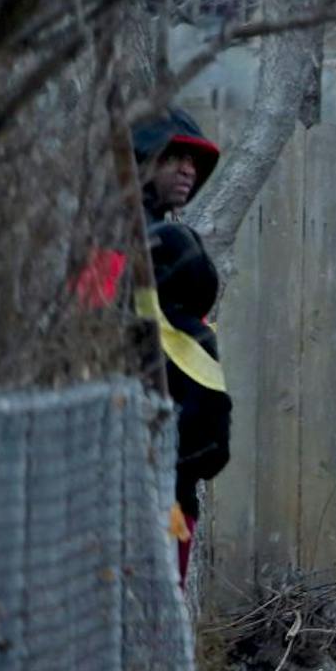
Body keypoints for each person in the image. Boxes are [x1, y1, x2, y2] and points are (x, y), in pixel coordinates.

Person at [131, 108, 232, 586]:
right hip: (138, 477)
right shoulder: (123, 249)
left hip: (173, 487)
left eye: (195, 161)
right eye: (175, 157)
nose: (189, 169)